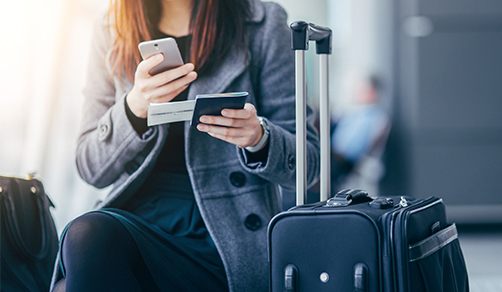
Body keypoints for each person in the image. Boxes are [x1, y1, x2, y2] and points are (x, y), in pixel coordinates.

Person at [50, 0, 320, 291]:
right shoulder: (112, 26)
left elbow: (308, 165)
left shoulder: (263, 21)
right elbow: (90, 168)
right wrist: (133, 108)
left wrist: (258, 138)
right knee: (86, 234)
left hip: (224, 233)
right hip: (134, 218)